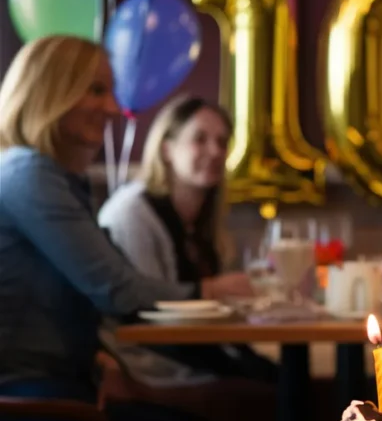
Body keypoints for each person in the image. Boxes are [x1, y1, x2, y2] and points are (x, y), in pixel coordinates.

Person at [0, 36, 253, 421]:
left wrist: (99, 359)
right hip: (26, 406)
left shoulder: (55, 179)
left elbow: (106, 289)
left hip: (61, 391)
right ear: (50, 92)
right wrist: (206, 291)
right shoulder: (29, 175)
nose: (114, 108)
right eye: (96, 90)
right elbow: (117, 288)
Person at [99, 95, 276, 383]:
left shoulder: (204, 219)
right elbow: (149, 313)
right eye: (200, 139)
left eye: (222, 142)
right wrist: (212, 290)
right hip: (153, 368)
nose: (215, 151)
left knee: (294, 384)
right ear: (167, 149)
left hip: (200, 356)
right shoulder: (132, 212)